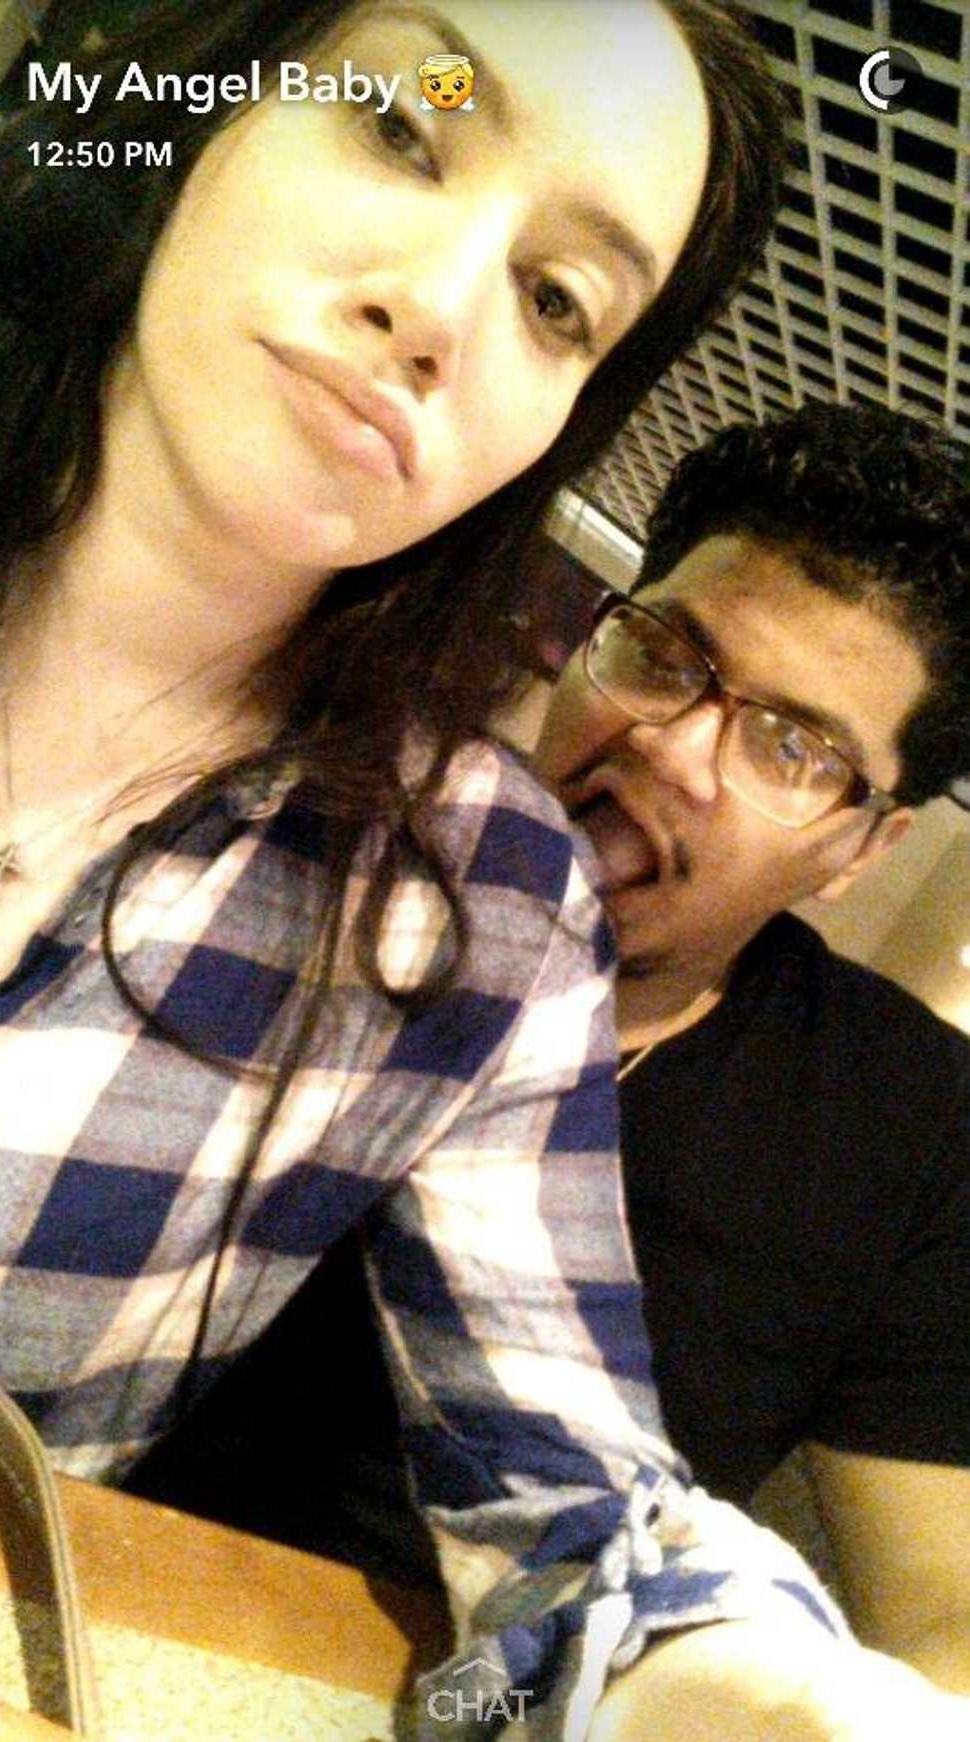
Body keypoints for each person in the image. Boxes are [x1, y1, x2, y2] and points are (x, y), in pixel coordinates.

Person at [0, 1, 963, 1736]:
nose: (437, 309)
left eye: (557, 299)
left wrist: (765, 1695)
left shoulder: (486, 904)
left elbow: (583, 1500)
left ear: (867, 846)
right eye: (401, 122)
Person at [532, 400, 970, 1694]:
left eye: (793, 746)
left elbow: (944, 1622)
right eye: (663, 653)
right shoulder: (314, 851)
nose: (671, 748)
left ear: (861, 849)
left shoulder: (909, 1128)